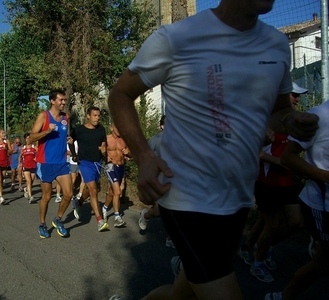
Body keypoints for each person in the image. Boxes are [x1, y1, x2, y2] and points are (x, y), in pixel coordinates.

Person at [107, 0, 319, 299]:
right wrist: (144, 156)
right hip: (184, 195)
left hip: (238, 198)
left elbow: (279, 112)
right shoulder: (176, 38)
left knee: (183, 294)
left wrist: (292, 120)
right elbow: (120, 94)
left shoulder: (275, 45)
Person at [238, 82, 308, 283]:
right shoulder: (264, 120)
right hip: (266, 181)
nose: (297, 99)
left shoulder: (292, 120)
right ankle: (258, 262)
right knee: (273, 224)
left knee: (296, 222)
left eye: (298, 96)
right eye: (294, 95)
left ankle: (250, 248)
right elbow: (257, 153)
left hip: (285, 181)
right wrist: (284, 162)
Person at [265, 100, 329, 300]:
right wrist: (325, 176)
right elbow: (288, 157)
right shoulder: (319, 116)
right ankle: (282, 295)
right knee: (323, 263)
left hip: (286, 184)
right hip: (321, 202)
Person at [29, 88, 73, 238]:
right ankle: (42, 224)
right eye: (61, 100)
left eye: (64, 100)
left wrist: (68, 140)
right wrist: (47, 131)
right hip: (45, 162)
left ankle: (58, 219)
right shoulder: (43, 116)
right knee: (47, 197)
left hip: (61, 162)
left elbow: (63, 134)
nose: (63, 102)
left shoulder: (65, 117)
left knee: (68, 194)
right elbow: (31, 138)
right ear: (52, 101)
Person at [70, 106, 108, 232]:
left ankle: (79, 202)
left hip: (98, 163)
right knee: (93, 190)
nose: (97, 118)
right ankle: (99, 220)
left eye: (98, 115)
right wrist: (74, 155)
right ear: (88, 116)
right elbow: (70, 141)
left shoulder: (101, 129)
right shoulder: (79, 130)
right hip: (84, 162)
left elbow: (103, 145)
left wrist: (103, 149)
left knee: (91, 189)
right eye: (95, 115)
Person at [138, 115, 166, 231]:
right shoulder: (155, 140)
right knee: (159, 210)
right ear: (162, 126)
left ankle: (171, 237)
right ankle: (146, 215)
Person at [102, 123, 130, 227]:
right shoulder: (107, 139)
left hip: (121, 168)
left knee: (112, 193)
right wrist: (104, 156)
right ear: (111, 128)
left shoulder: (123, 139)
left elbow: (129, 152)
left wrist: (128, 153)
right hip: (110, 167)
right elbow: (100, 151)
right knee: (118, 191)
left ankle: (104, 208)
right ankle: (117, 217)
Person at [19, 133, 37, 203]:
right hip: (26, 166)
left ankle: (27, 189)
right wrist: (20, 164)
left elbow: (39, 154)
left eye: (29, 138)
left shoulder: (34, 147)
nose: (28, 140)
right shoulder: (23, 148)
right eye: (27, 138)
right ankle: (30, 196)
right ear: (25, 139)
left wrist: (36, 158)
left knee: (31, 181)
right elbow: (20, 156)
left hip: (33, 166)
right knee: (28, 181)